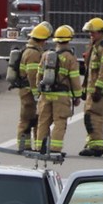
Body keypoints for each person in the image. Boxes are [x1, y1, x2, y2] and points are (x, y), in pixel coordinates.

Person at [34, 25, 82, 154]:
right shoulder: (70, 58)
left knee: (43, 121)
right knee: (59, 121)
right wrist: (78, 96)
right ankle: (55, 149)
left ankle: (40, 147)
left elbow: (39, 75)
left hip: (45, 93)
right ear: (69, 40)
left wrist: (39, 91)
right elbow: (74, 79)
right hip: (61, 95)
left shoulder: (46, 55)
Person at [80, 17, 103, 157]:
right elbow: (90, 71)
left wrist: (98, 88)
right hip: (95, 91)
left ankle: (97, 147)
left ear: (101, 32)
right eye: (89, 32)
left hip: (102, 92)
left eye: (93, 32)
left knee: (93, 117)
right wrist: (85, 89)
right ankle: (92, 144)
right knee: (92, 118)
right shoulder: (95, 46)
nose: (91, 35)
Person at [14, 21, 52, 152]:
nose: (46, 42)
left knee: (35, 119)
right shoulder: (33, 54)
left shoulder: (31, 50)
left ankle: (33, 145)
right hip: (28, 91)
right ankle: (24, 145)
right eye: (45, 40)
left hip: (27, 90)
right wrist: (37, 93)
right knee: (28, 119)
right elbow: (32, 75)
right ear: (41, 40)